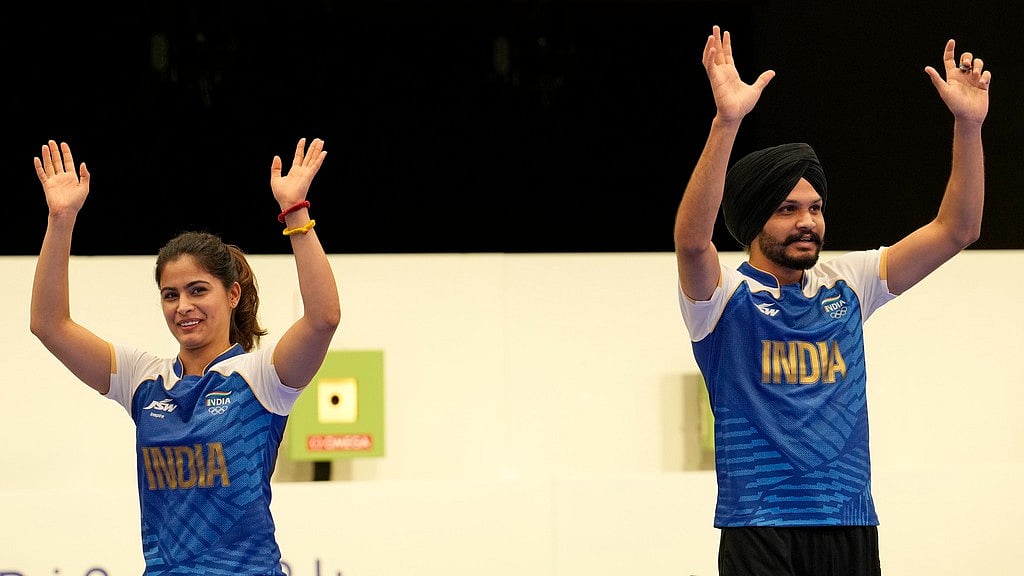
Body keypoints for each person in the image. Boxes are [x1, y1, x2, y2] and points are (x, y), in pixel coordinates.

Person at [673, 25, 990, 576]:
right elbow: (691, 241)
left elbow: (957, 229)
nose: (808, 222)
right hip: (759, 528)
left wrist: (968, 125)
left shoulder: (849, 283)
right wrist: (727, 122)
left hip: (850, 523)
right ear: (752, 220)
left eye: (815, 208)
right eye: (788, 209)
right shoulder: (721, 300)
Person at [30, 137, 341, 574]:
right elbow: (49, 324)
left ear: (232, 294)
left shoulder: (262, 378)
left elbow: (323, 318)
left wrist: (295, 212)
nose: (183, 307)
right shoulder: (142, 378)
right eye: (170, 295)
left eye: (198, 291)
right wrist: (60, 219)